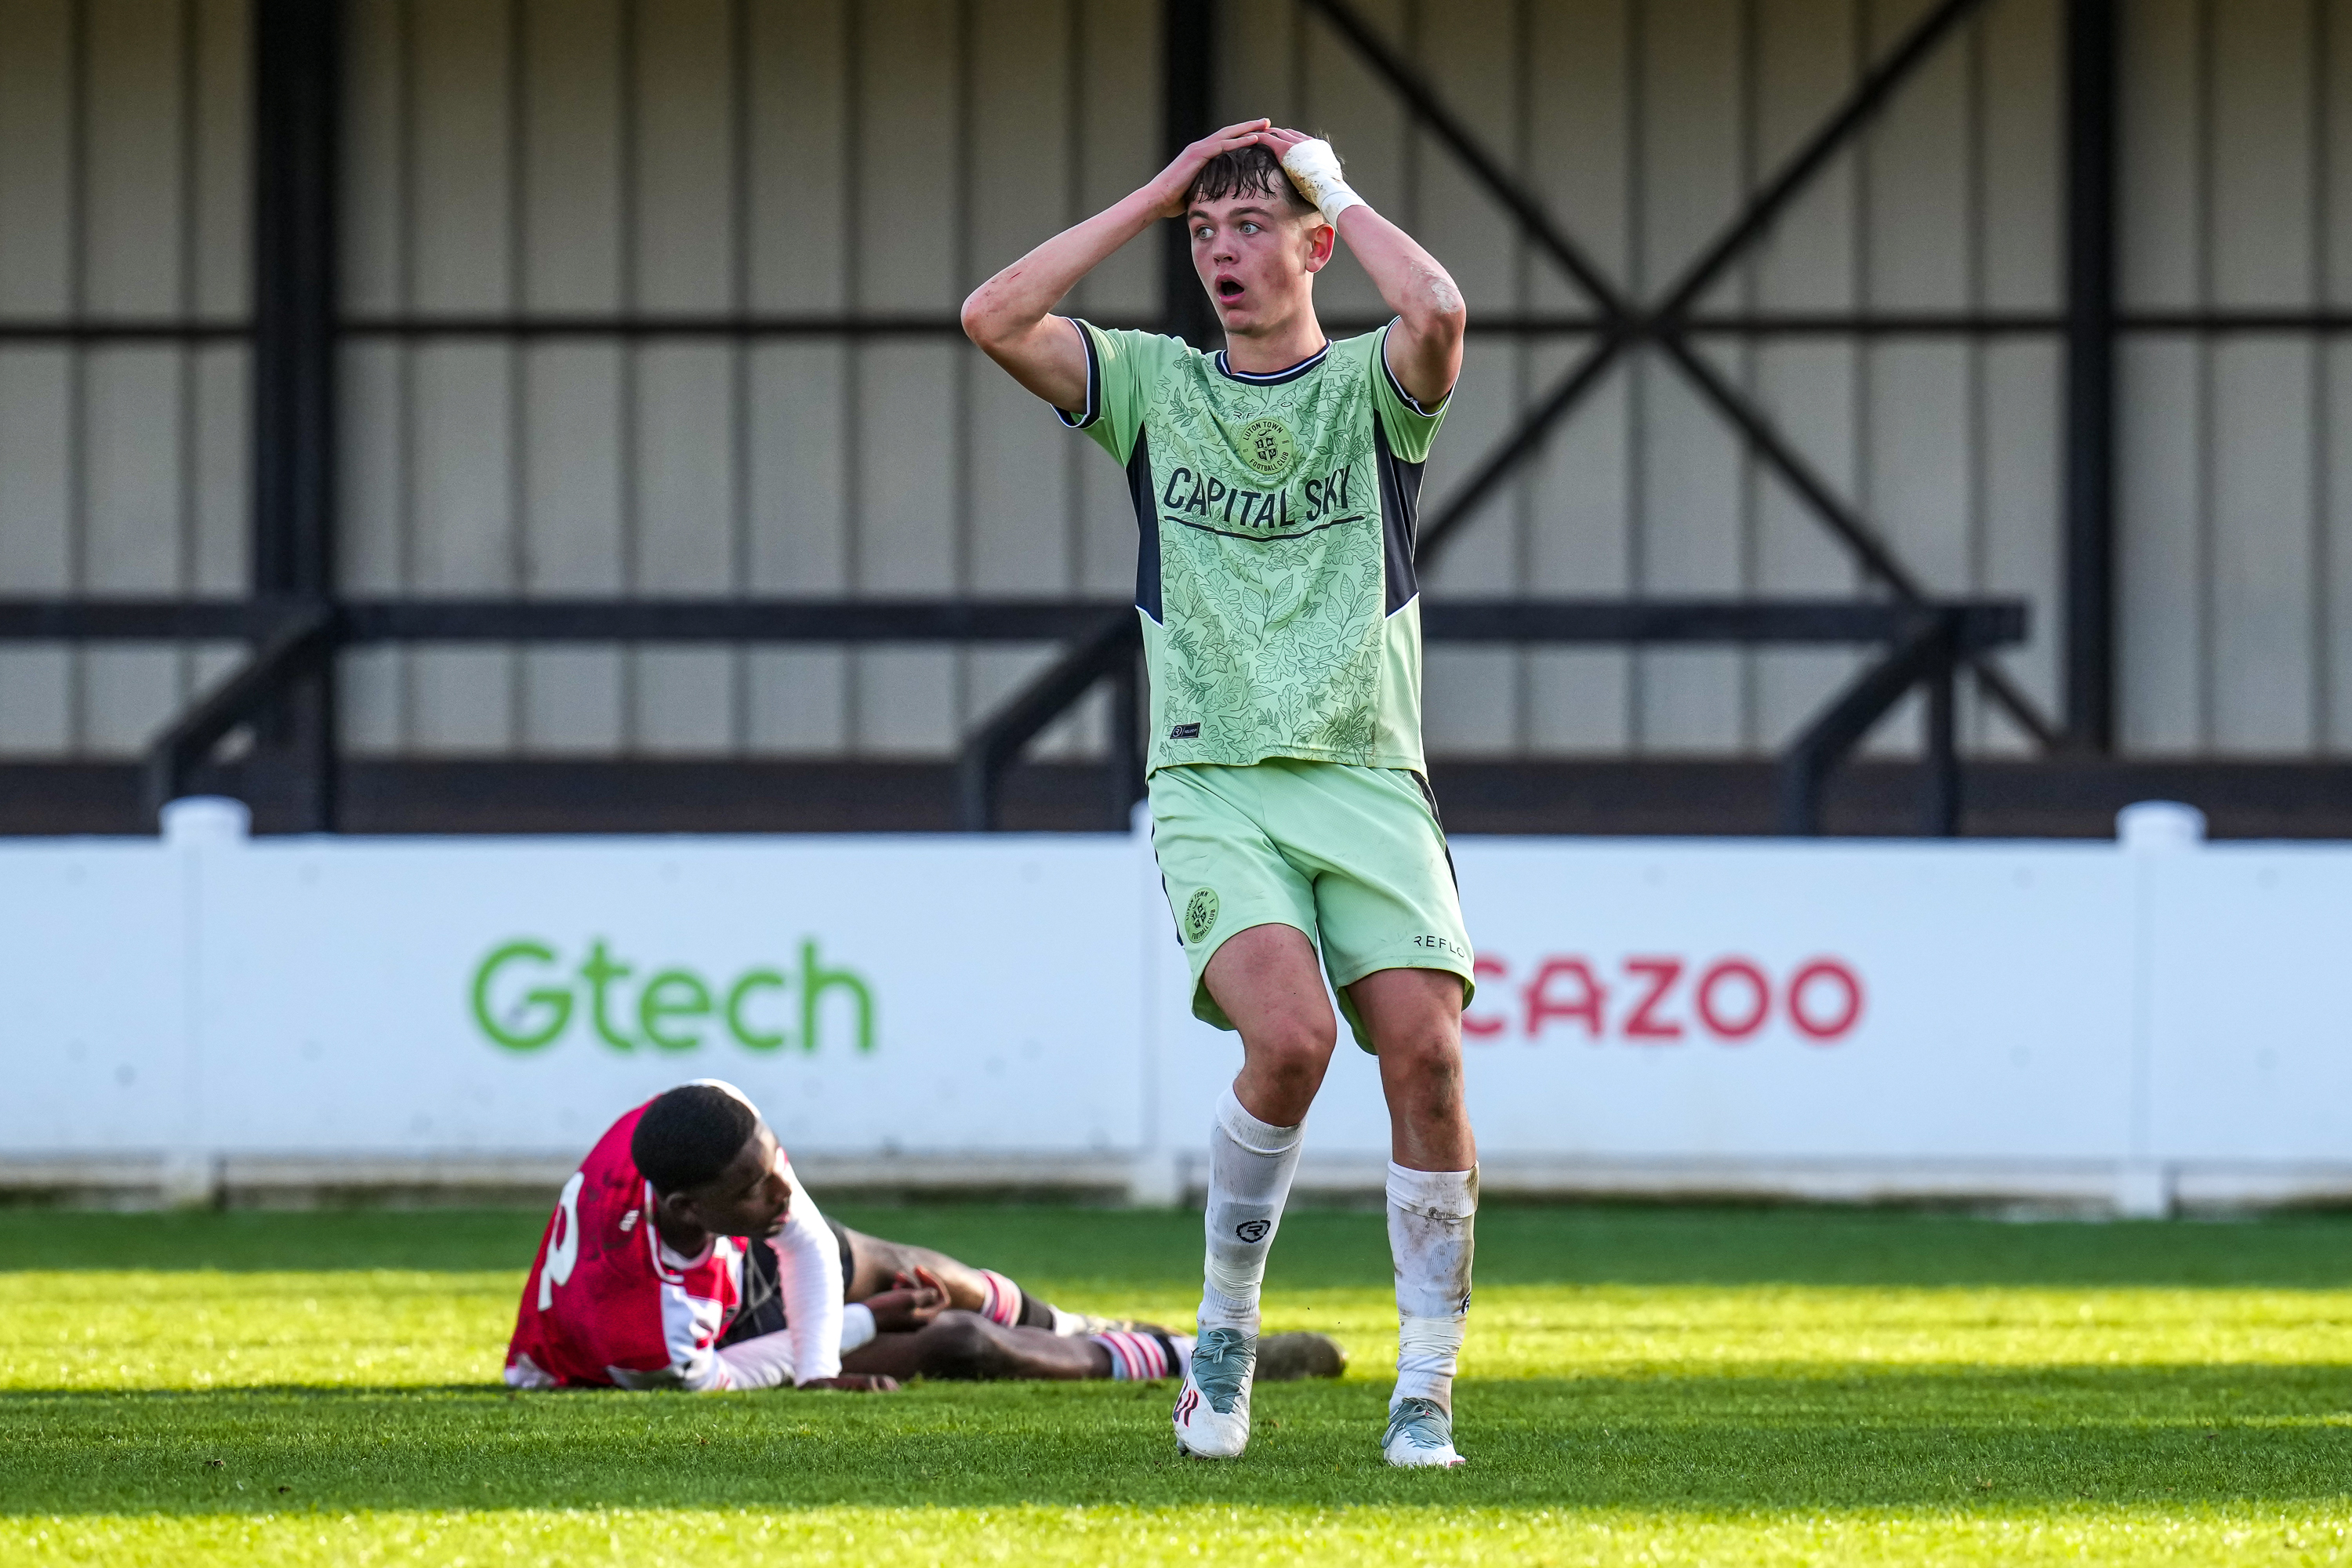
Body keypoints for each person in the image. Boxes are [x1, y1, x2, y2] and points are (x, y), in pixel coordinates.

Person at [962, 122, 1479, 1467]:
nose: (1221, 251)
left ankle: (1425, 1384)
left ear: (1315, 244)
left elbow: (1435, 305)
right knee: (1292, 1041)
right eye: (1205, 234)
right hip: (1213, 778)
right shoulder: (1148, 385)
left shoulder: (1374, 385)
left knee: (1424, 1055)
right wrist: (1153, 195)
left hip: (1369, 773)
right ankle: (1226, 1333)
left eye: (1250, 226)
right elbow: (994, 313)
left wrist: (1335, 185)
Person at [504, 1080, 1343, 1393]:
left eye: (773, 1162)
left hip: (717, 1265)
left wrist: (831, 1349)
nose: (781, 1189)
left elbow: (793, 1234)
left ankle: (1086, 1326)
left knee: (903, 1264)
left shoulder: (710, 1130)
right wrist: (846, 1347)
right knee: (960, 1338)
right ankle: (1191, 1358)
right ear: (689, 1209)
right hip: (696, 1341)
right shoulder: (647, 1336)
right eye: (752, 1186)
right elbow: (719, 1368)